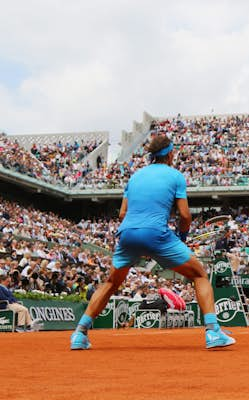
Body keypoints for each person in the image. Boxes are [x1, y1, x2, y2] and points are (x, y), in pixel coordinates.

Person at [69, 135, 235, 350]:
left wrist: (141, 241)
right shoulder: (175, 176)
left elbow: (122, 214)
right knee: (199, 275)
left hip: (128, 233)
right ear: (171, 153)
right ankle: (213, 332)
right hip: (157, 234)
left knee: (111, 283)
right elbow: (185, 216)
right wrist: (181, 237)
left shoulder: (135, 177)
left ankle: (79, 334)